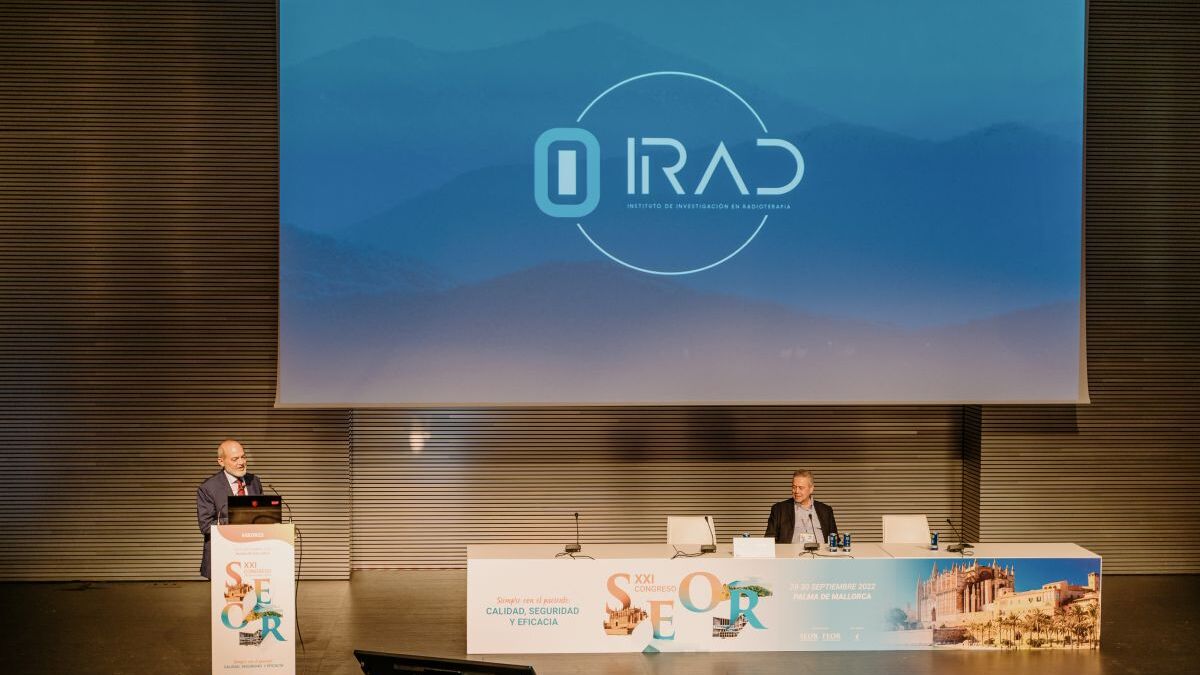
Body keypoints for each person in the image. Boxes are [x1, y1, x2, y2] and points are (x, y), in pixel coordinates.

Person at [196, 439, 263, 579]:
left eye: (243, 457)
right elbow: (206, 526)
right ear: (221, 461)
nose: (241, 462)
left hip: (253, 555)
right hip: (223, 556)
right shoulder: (208, 487)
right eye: (235, 459)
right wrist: (238, 518)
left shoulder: (254, 481)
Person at [764, 470, 837, 545]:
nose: (796, 491)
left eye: (801, 488)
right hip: (790, 552)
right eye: (794, 487)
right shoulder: (779, 510)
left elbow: (835, 540)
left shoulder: (826, 511)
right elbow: (769, 541)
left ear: (811, 489)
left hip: (821, 552)